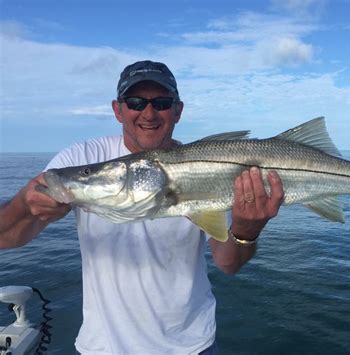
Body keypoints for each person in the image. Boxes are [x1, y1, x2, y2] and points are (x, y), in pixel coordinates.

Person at [0, 60, 284, 354]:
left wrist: (246, 230)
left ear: (178, 110)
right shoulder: (82, 156)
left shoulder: (207, 168)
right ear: (118, 109)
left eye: (161, 103)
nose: (148, 113)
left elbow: (228, 263)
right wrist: (25, 203)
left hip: (193, 346)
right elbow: (4, 237)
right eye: (135, 102)